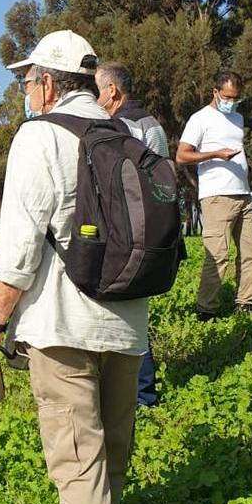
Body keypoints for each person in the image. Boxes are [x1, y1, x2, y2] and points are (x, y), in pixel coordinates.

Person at [0, 30, 148, 504]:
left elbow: (19, 250)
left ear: (47, 82)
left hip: (63, 324)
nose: (24, 90)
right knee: (111, 455)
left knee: (77, 464)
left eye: (26, 80)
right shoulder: (132, 133)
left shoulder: (39, 138)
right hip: (128, 321)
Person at [95, 61, 167, 407]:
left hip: (125, 233)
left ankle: (138, 393)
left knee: (119, 311)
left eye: (96, 88)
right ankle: (143, 392)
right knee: (136, 311)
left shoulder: (117, 125)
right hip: (152, 230)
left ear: (112, 90)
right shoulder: (152, 124)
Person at [176, 71, 252, 320]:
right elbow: (181, 156)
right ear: (215, 92)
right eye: (227, 96)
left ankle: (246, 302)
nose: (231, 101)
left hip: (243, 194)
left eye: (236, 98)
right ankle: (206, 309)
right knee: (218, 256)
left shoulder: (237, 118)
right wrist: (214, 154)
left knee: (250, 254)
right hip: (216, 197)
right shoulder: (200, 119)